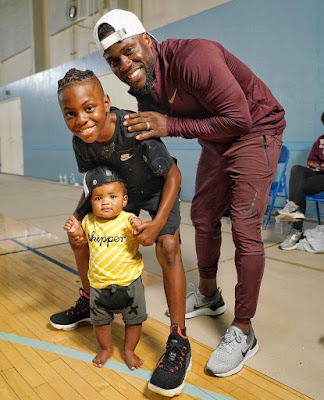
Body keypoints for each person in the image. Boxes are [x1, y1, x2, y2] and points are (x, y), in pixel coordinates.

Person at [93, 9, 286, 378]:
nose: (124, 64)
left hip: (255, 129)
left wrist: (172, 124)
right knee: (202, 215)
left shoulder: (194, 57)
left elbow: (240, 118)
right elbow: (154, 150)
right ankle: (210, 295)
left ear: (147, 39)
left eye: (129, 50)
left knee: (244, 228)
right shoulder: (143, 90)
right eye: (113, 60)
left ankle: (243, 331)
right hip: (217, 137)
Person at [51, 68, 191, 397]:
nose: (81, 119)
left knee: (168, 246)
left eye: (88, 108)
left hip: (157, 190)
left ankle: (179, 339)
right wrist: (75, 219)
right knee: (81, 233)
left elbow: (174, 176)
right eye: (70, 114)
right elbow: (93, 187)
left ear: (106, 103)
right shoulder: (80, 142)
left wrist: (156, 225)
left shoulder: (132, 128)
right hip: (118, 192)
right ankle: (89, 300)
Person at [64, 166, 146, 370]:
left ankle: (129, 350)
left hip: (129, 283)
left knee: (134, 321)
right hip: (99, 286)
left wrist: (139, 228)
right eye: (98, 198)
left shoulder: (128, 220)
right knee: (100, 322)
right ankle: (106, 348)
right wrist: (76, 231)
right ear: (90, 202)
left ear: (124, 200)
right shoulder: (90, 221)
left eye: (112, 196)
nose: (106, 202)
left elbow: (144, 239)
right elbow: (81, 241)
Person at [276, 112, 324, 250]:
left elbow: (317, 166)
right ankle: (293, 206)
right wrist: (317, 167)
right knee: (297, 169)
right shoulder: (320, 141)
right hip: (317, 176)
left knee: (299, 187)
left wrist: (319, 167)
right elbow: (311, 163)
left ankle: (296, 232)